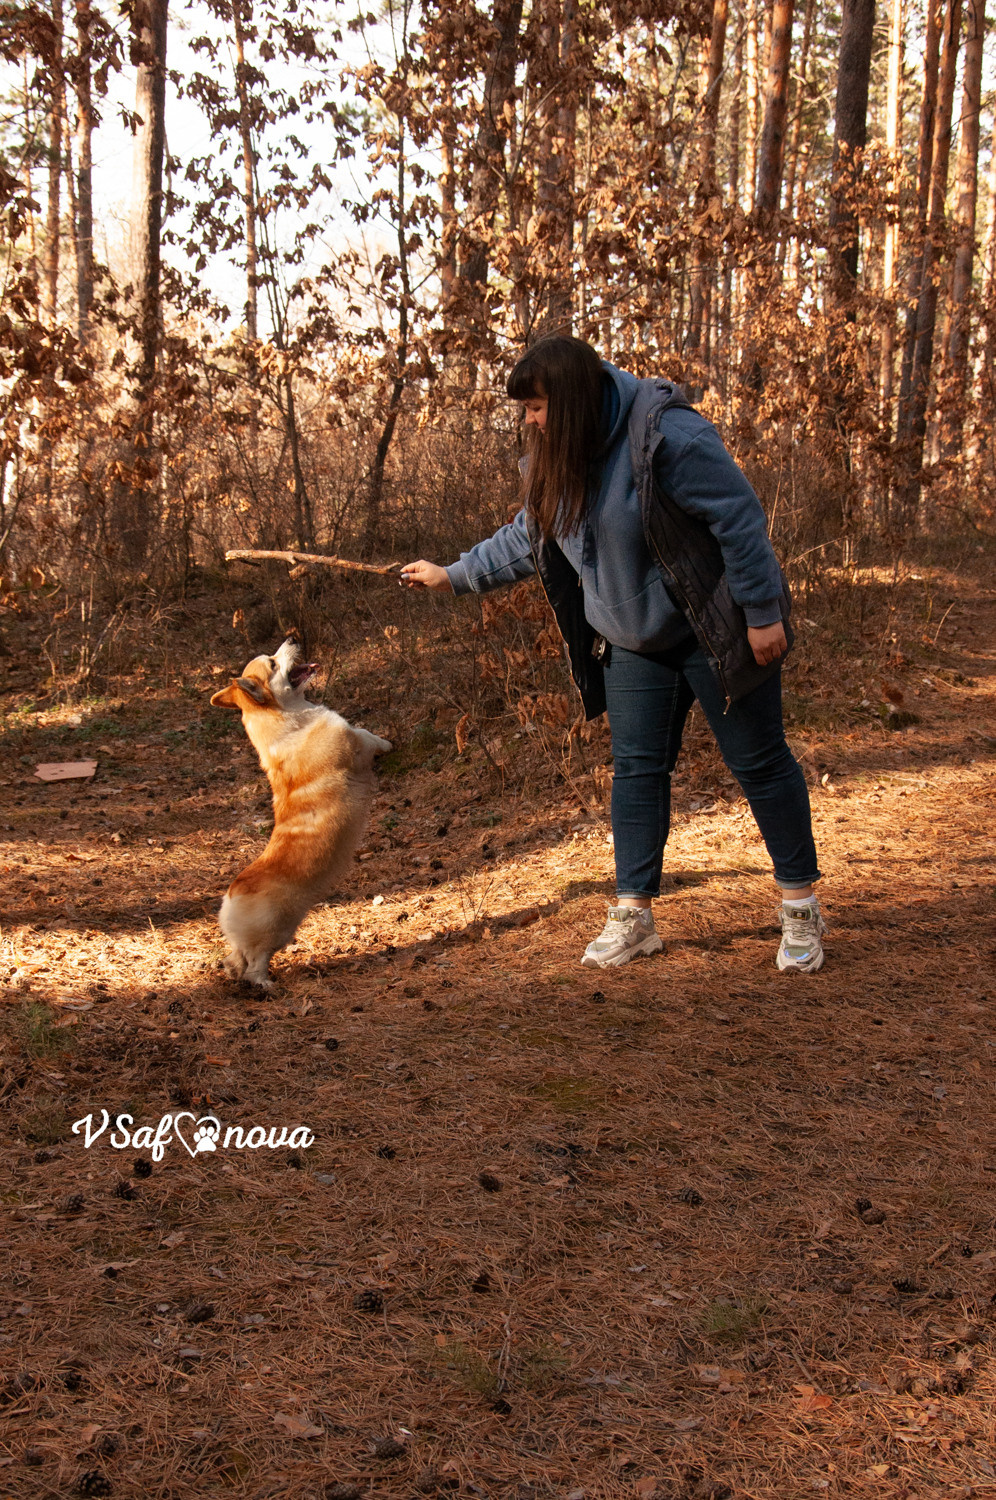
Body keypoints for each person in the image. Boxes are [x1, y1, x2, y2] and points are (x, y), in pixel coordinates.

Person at [401, 335, 824, 973]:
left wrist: (763, 614)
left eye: (538, 406)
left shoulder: (668, 437)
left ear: (572, 400)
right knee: (636, 771)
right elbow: (530, 535)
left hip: (715, 626)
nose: (529, 421)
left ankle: (800, 907)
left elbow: (738, 517)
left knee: (758, 762)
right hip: (631, 640)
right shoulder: (555, 456)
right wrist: (455, 574)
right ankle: (635, 912)